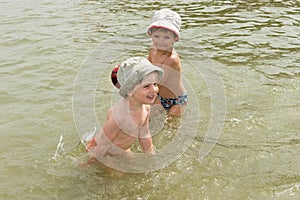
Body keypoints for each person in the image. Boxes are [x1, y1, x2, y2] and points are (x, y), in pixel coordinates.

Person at [85, 57, 163, 165]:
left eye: (155, 84)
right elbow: (103, 142)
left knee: (136, 166)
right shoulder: (120, 116)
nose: (154, 89)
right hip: (103, 150)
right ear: (130, 90)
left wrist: (150, 155)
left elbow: (144, 134)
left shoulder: (146, 108)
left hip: (121, 150)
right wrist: (89, 163)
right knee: (116, 176)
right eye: (146, 86)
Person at [147, 8, 187, 116]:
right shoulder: (153, 49)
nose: (161, 41)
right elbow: (146, 66)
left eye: (166, 37)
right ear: (151, 35)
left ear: (175, 39)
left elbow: (160, 80)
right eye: (157, 36)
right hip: (159, 95)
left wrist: (137, 85)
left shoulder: (172, 59)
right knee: (147, 118)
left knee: (170, 127)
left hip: (176, 100)